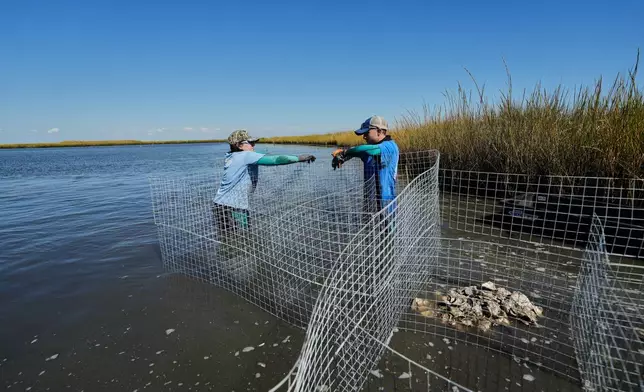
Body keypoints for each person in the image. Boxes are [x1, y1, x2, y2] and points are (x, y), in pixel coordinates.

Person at [213, 129, 316, 256]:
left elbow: (257, 155)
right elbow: (276, 160)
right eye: (250, 143)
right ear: (239, 145)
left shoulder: (231, 156)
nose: (253, 145)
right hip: (235, 207)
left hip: (220, 204)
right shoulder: (246, 156)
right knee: (242, 238)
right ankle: (240, 267)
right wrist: (300, 158)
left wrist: (262, 153)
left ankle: (228, 264)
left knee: (228, 239)